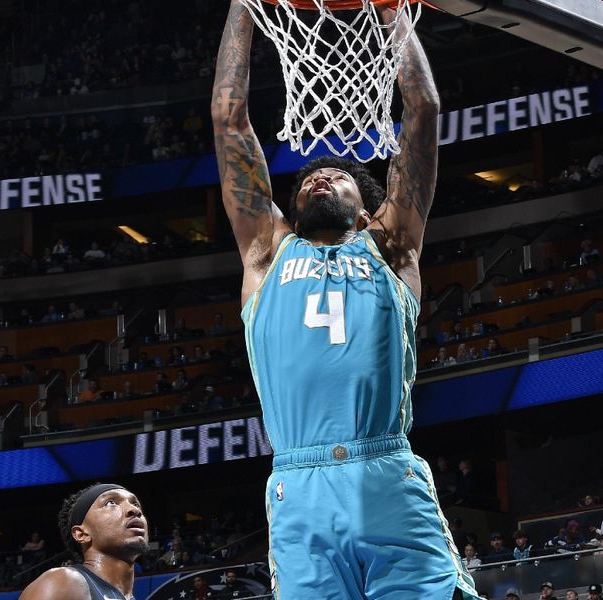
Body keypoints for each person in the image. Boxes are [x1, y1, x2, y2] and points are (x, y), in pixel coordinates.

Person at [212, 1, 477, 598]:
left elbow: (424, 112)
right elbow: (230, 123)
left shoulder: (390, 247)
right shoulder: (266, 252)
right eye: (307, 178)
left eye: (338, 176)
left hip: (385, 470)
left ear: (366, 209)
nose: (317, 178)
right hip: (297, 486)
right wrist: (243, 10)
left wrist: (390, 14)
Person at [18, 483, 148, 600]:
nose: (135, 510)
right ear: (82, 534)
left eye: (135, 504)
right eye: (110, 503)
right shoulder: (64, 582)